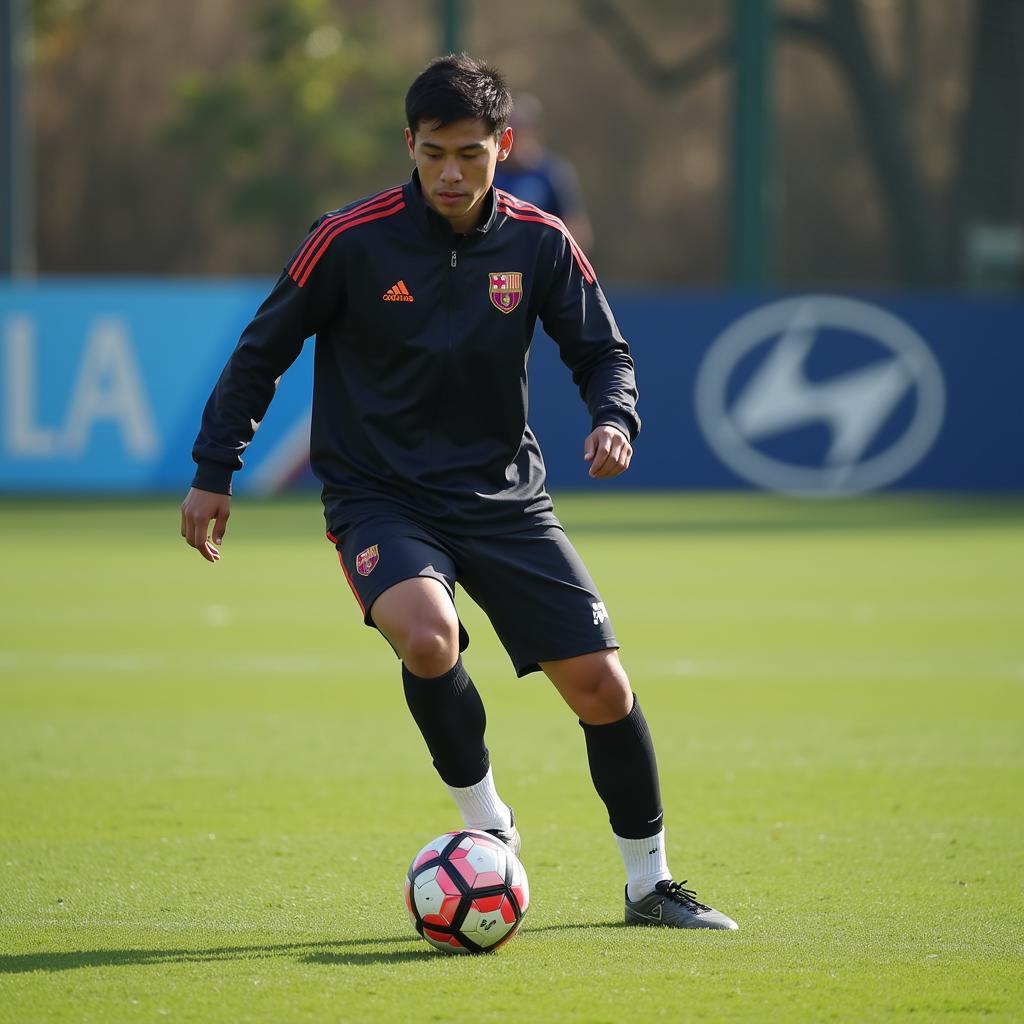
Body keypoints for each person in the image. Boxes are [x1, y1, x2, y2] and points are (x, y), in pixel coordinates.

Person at [180, 54, 737, 931]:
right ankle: (489, 824)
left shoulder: (540, 240)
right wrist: (217, 468)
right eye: (434, 151)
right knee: (430, 637)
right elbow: (264, 350)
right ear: (408, 144)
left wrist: (615, 418)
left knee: (602, 688)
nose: (451, 171)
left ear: (502, 146)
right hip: (380, 496)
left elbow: (604, 353)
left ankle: (649, 884)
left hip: (504, 499)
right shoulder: (349, 239)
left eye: (470, 154)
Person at [492, 91, 594, 251]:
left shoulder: (553, 173)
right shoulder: (491, 173)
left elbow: (577, 229)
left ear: (533, 131)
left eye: (520, 130)